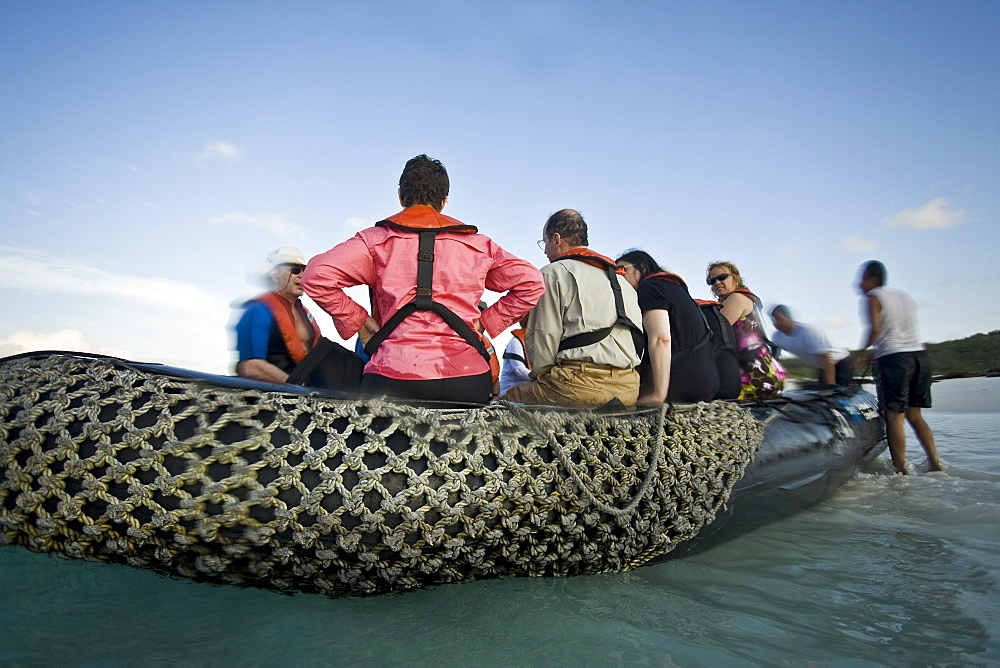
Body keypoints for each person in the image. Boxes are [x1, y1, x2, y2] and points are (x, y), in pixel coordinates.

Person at [301, 154, 544, 405]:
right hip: (468, 378)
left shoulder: (374, 240)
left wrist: (361, 324)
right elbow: (532, 282)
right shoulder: (480, 245)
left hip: (393, 376)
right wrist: (485, 323)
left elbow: (316, 276)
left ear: (400, 196)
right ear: (444, 201)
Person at [501, 209, 643, 407]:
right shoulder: (622, 281)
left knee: (504, 401)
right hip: (628, 388)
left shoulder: (552, 274)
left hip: (577, 387)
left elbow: (544, 341)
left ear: (556, 239)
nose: (544, 251)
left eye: (545, 243)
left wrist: (543, 382)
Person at [858, 260, 942, 474]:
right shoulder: (904, 296)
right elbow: (900, 330)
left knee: (894, 416)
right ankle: (934, 463)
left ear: (872, 279)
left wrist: (860, 353)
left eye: (862, 279)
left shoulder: (872, 297)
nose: (859, 284)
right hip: (919, 356)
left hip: (895, 359)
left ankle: (900, 471)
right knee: (915, 414)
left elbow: (875, 329)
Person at [615, 250, 720, 404]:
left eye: (623, 270)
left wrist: (658, 394)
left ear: (642, 267)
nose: (619, 277)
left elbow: (661, 339)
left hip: (680, 384)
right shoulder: (676, 288)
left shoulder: (650, 287)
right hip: (706, 383)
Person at [234, 246, 321, 383]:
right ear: (274, 275)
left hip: (308, 391)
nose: (302, 275)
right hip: (274, 396)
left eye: (304, 270)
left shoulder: (305, 313)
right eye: (295, 270)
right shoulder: (258, 310)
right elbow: (250, 367)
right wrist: (298, 388)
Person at [706, 261, 786, 400]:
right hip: (766, 375)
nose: (717, 282)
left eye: (722, 277)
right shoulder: (737, 299)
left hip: (756, 378)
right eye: (711, 281)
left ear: (735, 278)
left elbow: (714, 331)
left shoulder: (736, 298)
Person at [770, 305, 853, 386]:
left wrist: (830, 386)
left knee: (835, 392)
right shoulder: (777, 337)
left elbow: (827, 358)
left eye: (779, 319)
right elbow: (774, 360)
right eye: (774, 320)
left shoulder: (808, 332)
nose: (777, 323)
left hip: (840, 362)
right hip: (823, 366)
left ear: (789, 317)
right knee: (822, 391)